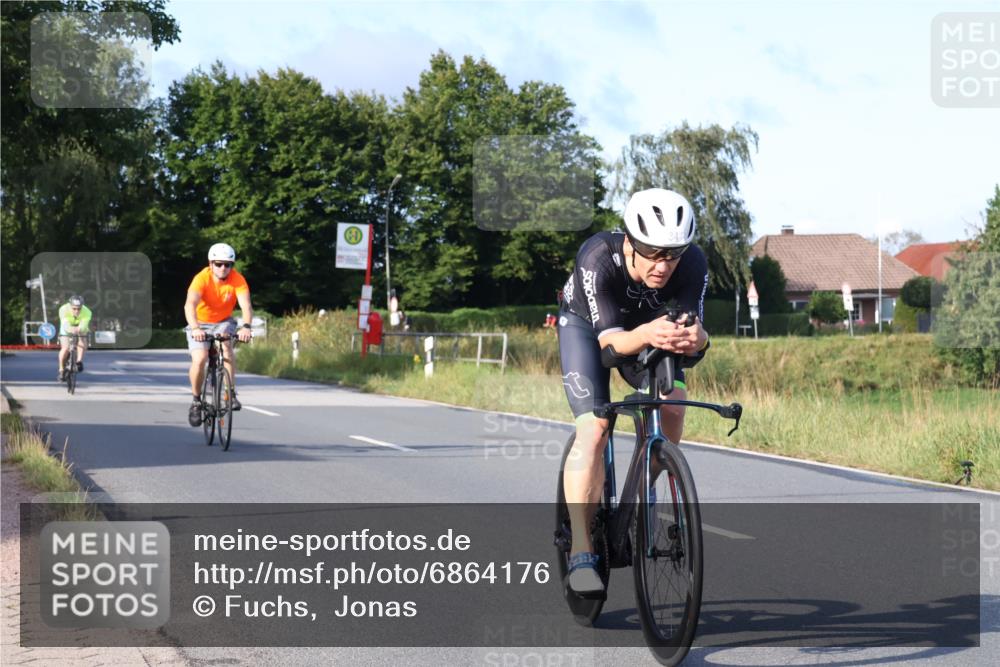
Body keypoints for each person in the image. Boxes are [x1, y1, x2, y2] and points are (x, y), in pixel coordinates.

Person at [558, 188, 710, 594]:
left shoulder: (692, 263)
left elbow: (696, 332)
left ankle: (642, 491)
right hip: (589, 329)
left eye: (673, 254)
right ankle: (581, 550)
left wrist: (697, 338)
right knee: (595, 428)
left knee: (673, 407)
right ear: (630, 243)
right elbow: (609, 346)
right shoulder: (597, 258)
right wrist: (645, 332)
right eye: (654, 253)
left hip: (647, 330)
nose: (665, 265)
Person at [184, 243, 254, 426]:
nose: (223, 268)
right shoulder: (201, 278)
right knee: (200, 359)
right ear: (211, 263)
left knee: (226, 345)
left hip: (223, 322)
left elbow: (246, 305)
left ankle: (229, 393)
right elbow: (189, 305)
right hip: (200, 323)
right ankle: (196, 401)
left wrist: (246, 326)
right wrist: (196, 328)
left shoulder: (237, 279)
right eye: (218, 264)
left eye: (228, 264)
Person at [57, 295, 91, 381]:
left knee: (82, 340)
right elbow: (64, 324)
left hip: (80, 326)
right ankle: (61, 370)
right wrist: (70, 329)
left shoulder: (87, 312)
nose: (76, 311)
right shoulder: (63, 309)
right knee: (65, 348)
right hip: (66, 327)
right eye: (74, 308)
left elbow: (84, 325)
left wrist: (79, 330)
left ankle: (79, 361)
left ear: (82, 307)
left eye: (79, 308)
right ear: (70, 306)